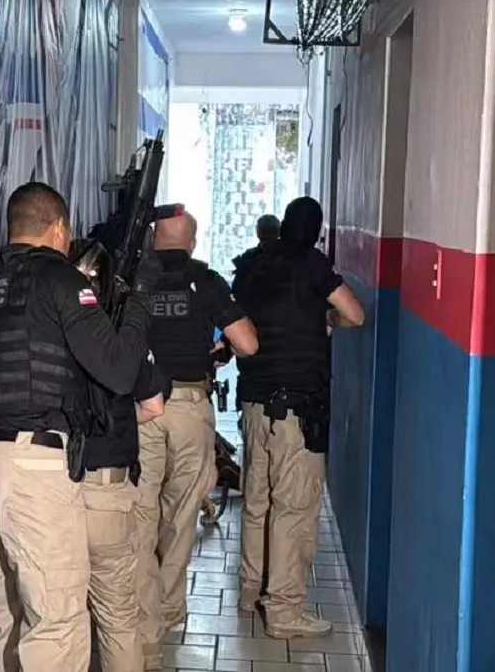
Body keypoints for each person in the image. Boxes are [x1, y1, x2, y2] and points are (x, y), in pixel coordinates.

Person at [0, 182, 157, 672]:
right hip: (33, 464)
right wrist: (138, 300)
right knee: (55, 621)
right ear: (58, 228)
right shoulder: (58, 278)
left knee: (4, 615)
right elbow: (119, 372)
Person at [231, 196, 365, 639]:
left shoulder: (252, 265)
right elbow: (355, 314)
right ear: (316, 231)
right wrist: (325, 319)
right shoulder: (312, 264)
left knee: (257, 503)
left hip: (254, 406)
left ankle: (251, 590)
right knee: (293, 510)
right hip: (295, 413)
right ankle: (285, 610)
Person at [135, 207, 260, 669]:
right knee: (182, 509)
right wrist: (220, 347)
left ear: (153, 239)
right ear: (191, 241)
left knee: (140, 513)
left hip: (139, 408)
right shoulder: (205, 281)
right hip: (189, 406)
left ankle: (143, 620)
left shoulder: (133, 281)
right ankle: (169, 607)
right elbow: (248, 343)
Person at [68, 239, 167, 672]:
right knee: (117, 615)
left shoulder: (52, 331)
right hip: (107, 488)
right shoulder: (122, 341)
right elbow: (154, 406)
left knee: (58, 616)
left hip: (53, 486)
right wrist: (117, 421)